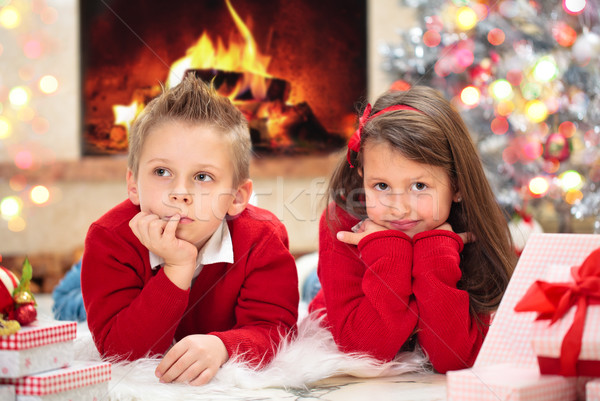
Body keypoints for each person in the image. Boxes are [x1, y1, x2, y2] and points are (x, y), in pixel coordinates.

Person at [81, 74, 299, 386]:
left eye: (202, 177)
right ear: (133, 185)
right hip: (114, 278)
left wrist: (223, 347)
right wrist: (177, 268)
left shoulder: (262, 239)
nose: (180, 192)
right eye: (161, 171)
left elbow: (275, 329)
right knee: (70, 304)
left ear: (237, 197)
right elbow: (120, 353)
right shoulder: (109, 238)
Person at [308, 85, 516, 374]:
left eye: (419, 186)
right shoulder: (342, 223)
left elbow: (454, 359)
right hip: (340, 286)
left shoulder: (473, 224)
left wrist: (437, 250)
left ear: (457, 185)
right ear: (362, 176)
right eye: (381, 186)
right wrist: (387, 248)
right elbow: (364, 352)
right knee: (309, 284)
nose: (400, 208)